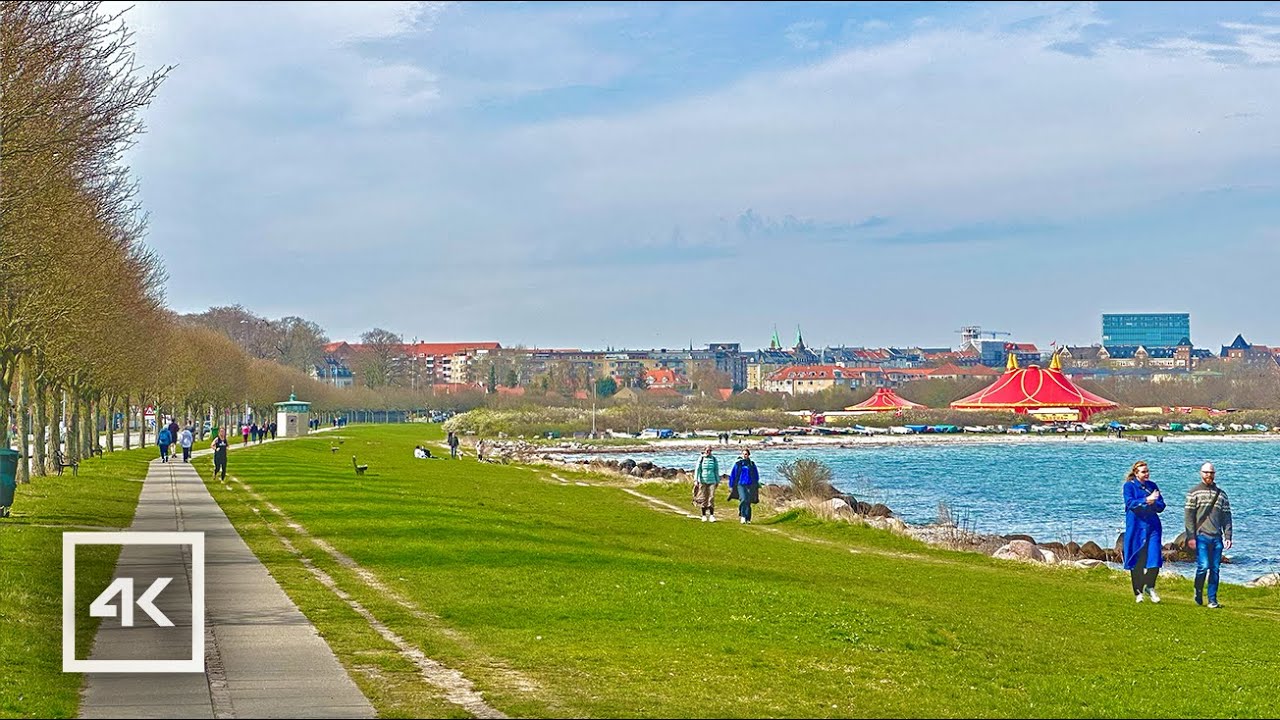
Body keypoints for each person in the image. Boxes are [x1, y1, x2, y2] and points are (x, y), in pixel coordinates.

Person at [1185, 462, 1232, 609]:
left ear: (1214, 474)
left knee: (1215, 569)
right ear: (1201, 473)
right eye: (1206, 472)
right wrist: (1191, 536)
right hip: (1201, 536)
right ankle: (1198, 589)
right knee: (1203, 566)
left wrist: (1228, 536)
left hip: (1217, 537)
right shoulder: (1194, 493)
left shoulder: (1222, 495)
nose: (1208, 475)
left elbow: (1227, 517)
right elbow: (1188, 517)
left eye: (1211, 473)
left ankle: (1212, 599)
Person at [1122, 460, 1165, 603]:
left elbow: (1161, 505)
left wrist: (1154, 502)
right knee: (1137, 560)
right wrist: (1146, 500)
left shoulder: (1152, 486)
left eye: (1147, 471)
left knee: (1155, 558)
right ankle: (1138, 592)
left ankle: (1150, 586)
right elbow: (1130, 503)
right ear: (1136, 473)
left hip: (1152, 526)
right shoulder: (1129, 486)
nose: (1147, 474)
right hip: (1136, 527)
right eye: (1143, 471)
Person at [728, 448, 760, 524]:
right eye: (743, 454)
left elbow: (756, 475)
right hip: (740, 484)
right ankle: (742, 515)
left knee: (748, 501)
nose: (744, 455)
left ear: (748, 455)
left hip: (750, 484)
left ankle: (748, 518)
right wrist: (731, 484)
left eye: (746, 454)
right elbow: (733, 474)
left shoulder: (752, 464)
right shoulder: (738, 464)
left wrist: (756, 484)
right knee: (743, 499)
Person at [693, 446, 720, 522]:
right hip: (703, 480)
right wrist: (696, 480)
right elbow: (697, 469)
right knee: (703, 498)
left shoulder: (714, 459)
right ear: (704, 451)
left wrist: (717, 480)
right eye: (707, 450)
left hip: (712, 481)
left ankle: (711, 515)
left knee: (711, 497)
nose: (708, 452)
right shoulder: (701, 459)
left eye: (710, 450)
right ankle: (704, 515)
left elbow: (716, 470)